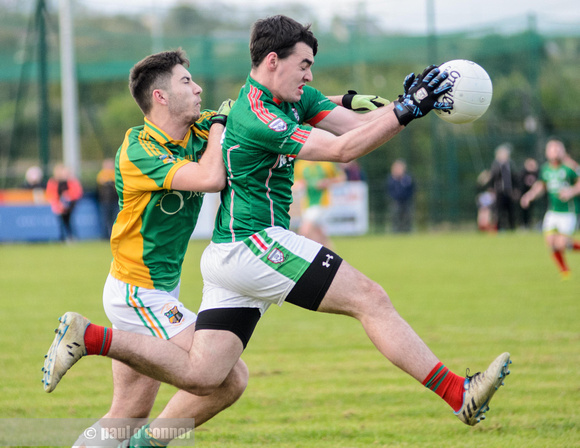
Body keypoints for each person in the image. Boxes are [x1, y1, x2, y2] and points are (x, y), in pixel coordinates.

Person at [43, 16, 511, 442]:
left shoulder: (270, 105)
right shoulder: (234, 122)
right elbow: (340, 150)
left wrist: (402, 105)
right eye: (303, 64)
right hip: (241, 249)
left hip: (224, 259)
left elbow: (356, 126)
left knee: (207, 383)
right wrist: (406, 108)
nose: (309, 74)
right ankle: (458, 393)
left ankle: (135, 435)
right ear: (273, 61)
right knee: (369, 298)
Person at [64, 49, 249, 448]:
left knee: (125, 417)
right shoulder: (137, 149)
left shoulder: (199, 130)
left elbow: (269, 114)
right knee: (228, 378)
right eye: (186, 81)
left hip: (154, 290)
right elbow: (211, 177)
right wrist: (219, 127)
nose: (198, 87)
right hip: (137, 293)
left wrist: (352, 106)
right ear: (160, 97)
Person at [520, 138, 580, 279]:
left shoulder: (570, 167)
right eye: (552, 149)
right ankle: (564, 270)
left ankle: (565, 269)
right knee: (551, 242)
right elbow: (541, 185)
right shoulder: (545, 168)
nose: (555, 151)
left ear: (562, 150)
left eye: (557, 148)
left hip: (568, 212)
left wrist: (571, 191)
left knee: (561, 243)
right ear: (547, 152)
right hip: (552, 211)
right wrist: (530, 195)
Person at [294, 159, 346, 249]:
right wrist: (299, 185)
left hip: (322, 203)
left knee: (305, 230)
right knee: (320, 235)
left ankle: (310, 255)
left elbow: (341, 178)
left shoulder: (327, 164)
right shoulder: (299, 165)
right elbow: (294, 182)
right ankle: (331, 256)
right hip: (307, 203)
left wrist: (327, 182)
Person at [45, 163, 83, 242]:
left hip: (70, 205)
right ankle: (62, 238)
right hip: (58, 205)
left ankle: (71, 237)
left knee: (68, 220)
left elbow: (77, 192)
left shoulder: (71, 181)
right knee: (60, 221)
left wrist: (68, 197)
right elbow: (50, 193)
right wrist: (57, 202)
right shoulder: (53, 182)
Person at [488, 143, 518, 231]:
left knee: (511, 210)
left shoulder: (510, 165)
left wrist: (515, 189)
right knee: (499, 210)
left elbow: (515, 177)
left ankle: (512, 227)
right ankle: (500, 228)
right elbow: (493, 178)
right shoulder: (496, 166)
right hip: (499, 191)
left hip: (509, 191)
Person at [386, 159, 415, 233]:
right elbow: (389, 189)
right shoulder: (391, 179)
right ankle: (396, 231)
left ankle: (407, 231)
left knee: (407, 216)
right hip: (396, 201)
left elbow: (412, 188)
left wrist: (408, 196)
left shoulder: (408, 178)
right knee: (395, 216)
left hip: (406, 200)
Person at [96, 158, 119, 239]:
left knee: (115, 219)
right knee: (105, 220)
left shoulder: (115, 173)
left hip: (115, 201)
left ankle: (114, 235)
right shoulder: (101, 174)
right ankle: (105, 236)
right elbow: (101, 182)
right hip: (105, 201)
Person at [518, 157, 539, 230]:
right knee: (524, 211)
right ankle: (524, 224)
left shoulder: (537, 173)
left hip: (536, 196)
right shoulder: (523, 173)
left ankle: (536, 224)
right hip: (525, 195)